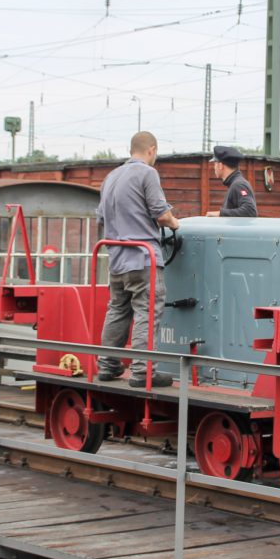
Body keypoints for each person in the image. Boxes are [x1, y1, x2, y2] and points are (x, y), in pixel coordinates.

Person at [96, 131, 180, 387]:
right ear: (152, 150)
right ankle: (144, 372)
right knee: (147, 311)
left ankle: (107, 366)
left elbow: (101, 218)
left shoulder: (111, 177)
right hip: (143, 259)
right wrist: (175, 223)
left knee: (118, 310)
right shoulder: (147, 173)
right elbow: (161, 215)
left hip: (116, 259)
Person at [205, 145, 258, 217]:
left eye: (215, 164)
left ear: (220, 166)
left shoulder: (238, 184)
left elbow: (250, 211)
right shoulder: (236, 183)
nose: (214, 167)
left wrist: (220, 213)